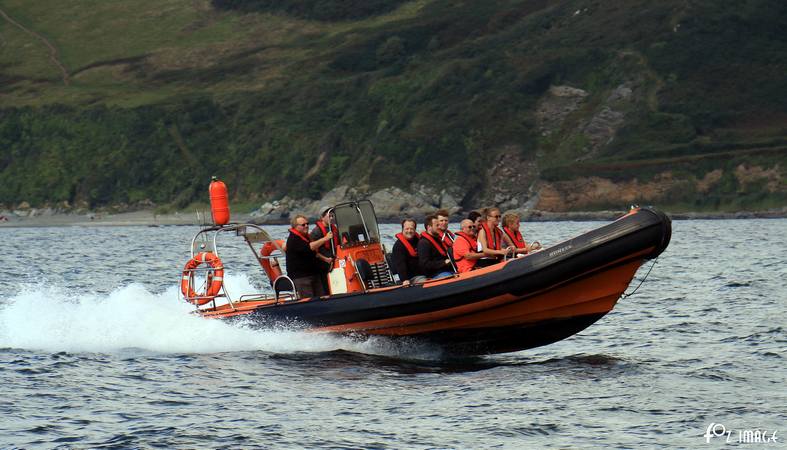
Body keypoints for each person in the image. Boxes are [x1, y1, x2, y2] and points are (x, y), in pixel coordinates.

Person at [285, 214, 332, 298]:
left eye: (307, 224)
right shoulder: (293, 239)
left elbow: (314, 253)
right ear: (295, 227)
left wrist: (325, 259)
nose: (306, 226)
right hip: (301, 277)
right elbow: (310, 247)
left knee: (321, 298)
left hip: (314, 274)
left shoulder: (306, 237)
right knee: (309, 300)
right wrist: (325, 238)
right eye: (303, 225)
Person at [310, 207, 340, 293]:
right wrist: (325, 259)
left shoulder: (334, 229)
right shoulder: (316, 231)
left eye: (332, 216)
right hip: (322, 264)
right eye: (329, 216)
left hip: (333, 262)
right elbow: (311, 250)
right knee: (325, 288)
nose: (331, 218)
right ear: (322, 217)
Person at [417, 214, 455, 279]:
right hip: (435, 274)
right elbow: (425, 264)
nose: (439, 227)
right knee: (450, 277)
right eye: (437, 225)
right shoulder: (423, 243)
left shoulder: (439, 239)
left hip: (447, 270)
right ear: (429, 227)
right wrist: (444, 262)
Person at [391, 218, 426, 285]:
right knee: (424, 282)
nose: (409, 231)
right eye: (407, 229)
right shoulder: (398, 246)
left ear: (415, 230)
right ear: (402, 229)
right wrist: (404, 280)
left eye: (411, 229)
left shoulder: (420, 241)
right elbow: (400, 264)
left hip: (425, 272)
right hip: (412, 277)